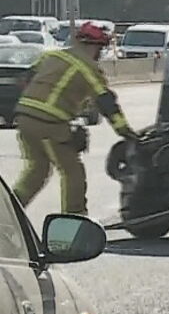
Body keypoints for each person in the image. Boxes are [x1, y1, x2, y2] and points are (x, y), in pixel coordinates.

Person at [13, 21, 135, 215]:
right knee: (73, 172)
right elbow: (106, 102)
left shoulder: (51, 55)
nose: (100, 54)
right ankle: (74, 221)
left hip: (24, 118)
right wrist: (125, 132)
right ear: (94, 46)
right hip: (49, 122)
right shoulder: (88, 67)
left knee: (37, 170)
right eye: (100, 49)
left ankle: (8, 214)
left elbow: (25, 79)